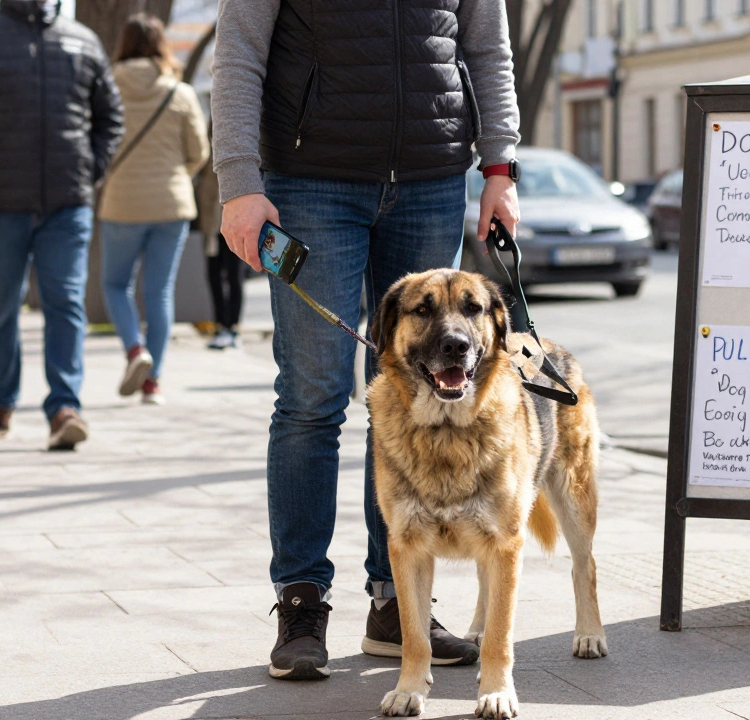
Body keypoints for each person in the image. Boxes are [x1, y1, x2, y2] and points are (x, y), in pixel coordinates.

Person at [212, 0, 522, 680]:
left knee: (415, 397)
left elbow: (487, 48)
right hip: (310, 180)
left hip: (431, 177)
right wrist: (238, 181)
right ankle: (301, 601)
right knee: (312, 397)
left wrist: (500, 166)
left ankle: (395, 605)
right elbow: (238, 52)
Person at [0, 0, 123, 450]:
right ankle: (1, 398)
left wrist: (88, 169)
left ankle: (64, 407)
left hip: (67, 202)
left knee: (66, 301)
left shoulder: (82, 40)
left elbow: (111, 117)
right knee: (0, 304)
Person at [98, 14, 208, 406]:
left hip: (121, 202)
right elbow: (199, 152)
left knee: (115, 284)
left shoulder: (107, 89)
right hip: (171, 203)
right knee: (159, 290)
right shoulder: (179, 93)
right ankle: (153, 383)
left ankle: (134, 349)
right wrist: (176, 176)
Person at [198, 161, 243, 351]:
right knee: (214, 275)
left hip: (236, 219)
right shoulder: (207, 150)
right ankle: (220, 325)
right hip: (211, 222)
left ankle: (233, 327)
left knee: (234, 274)